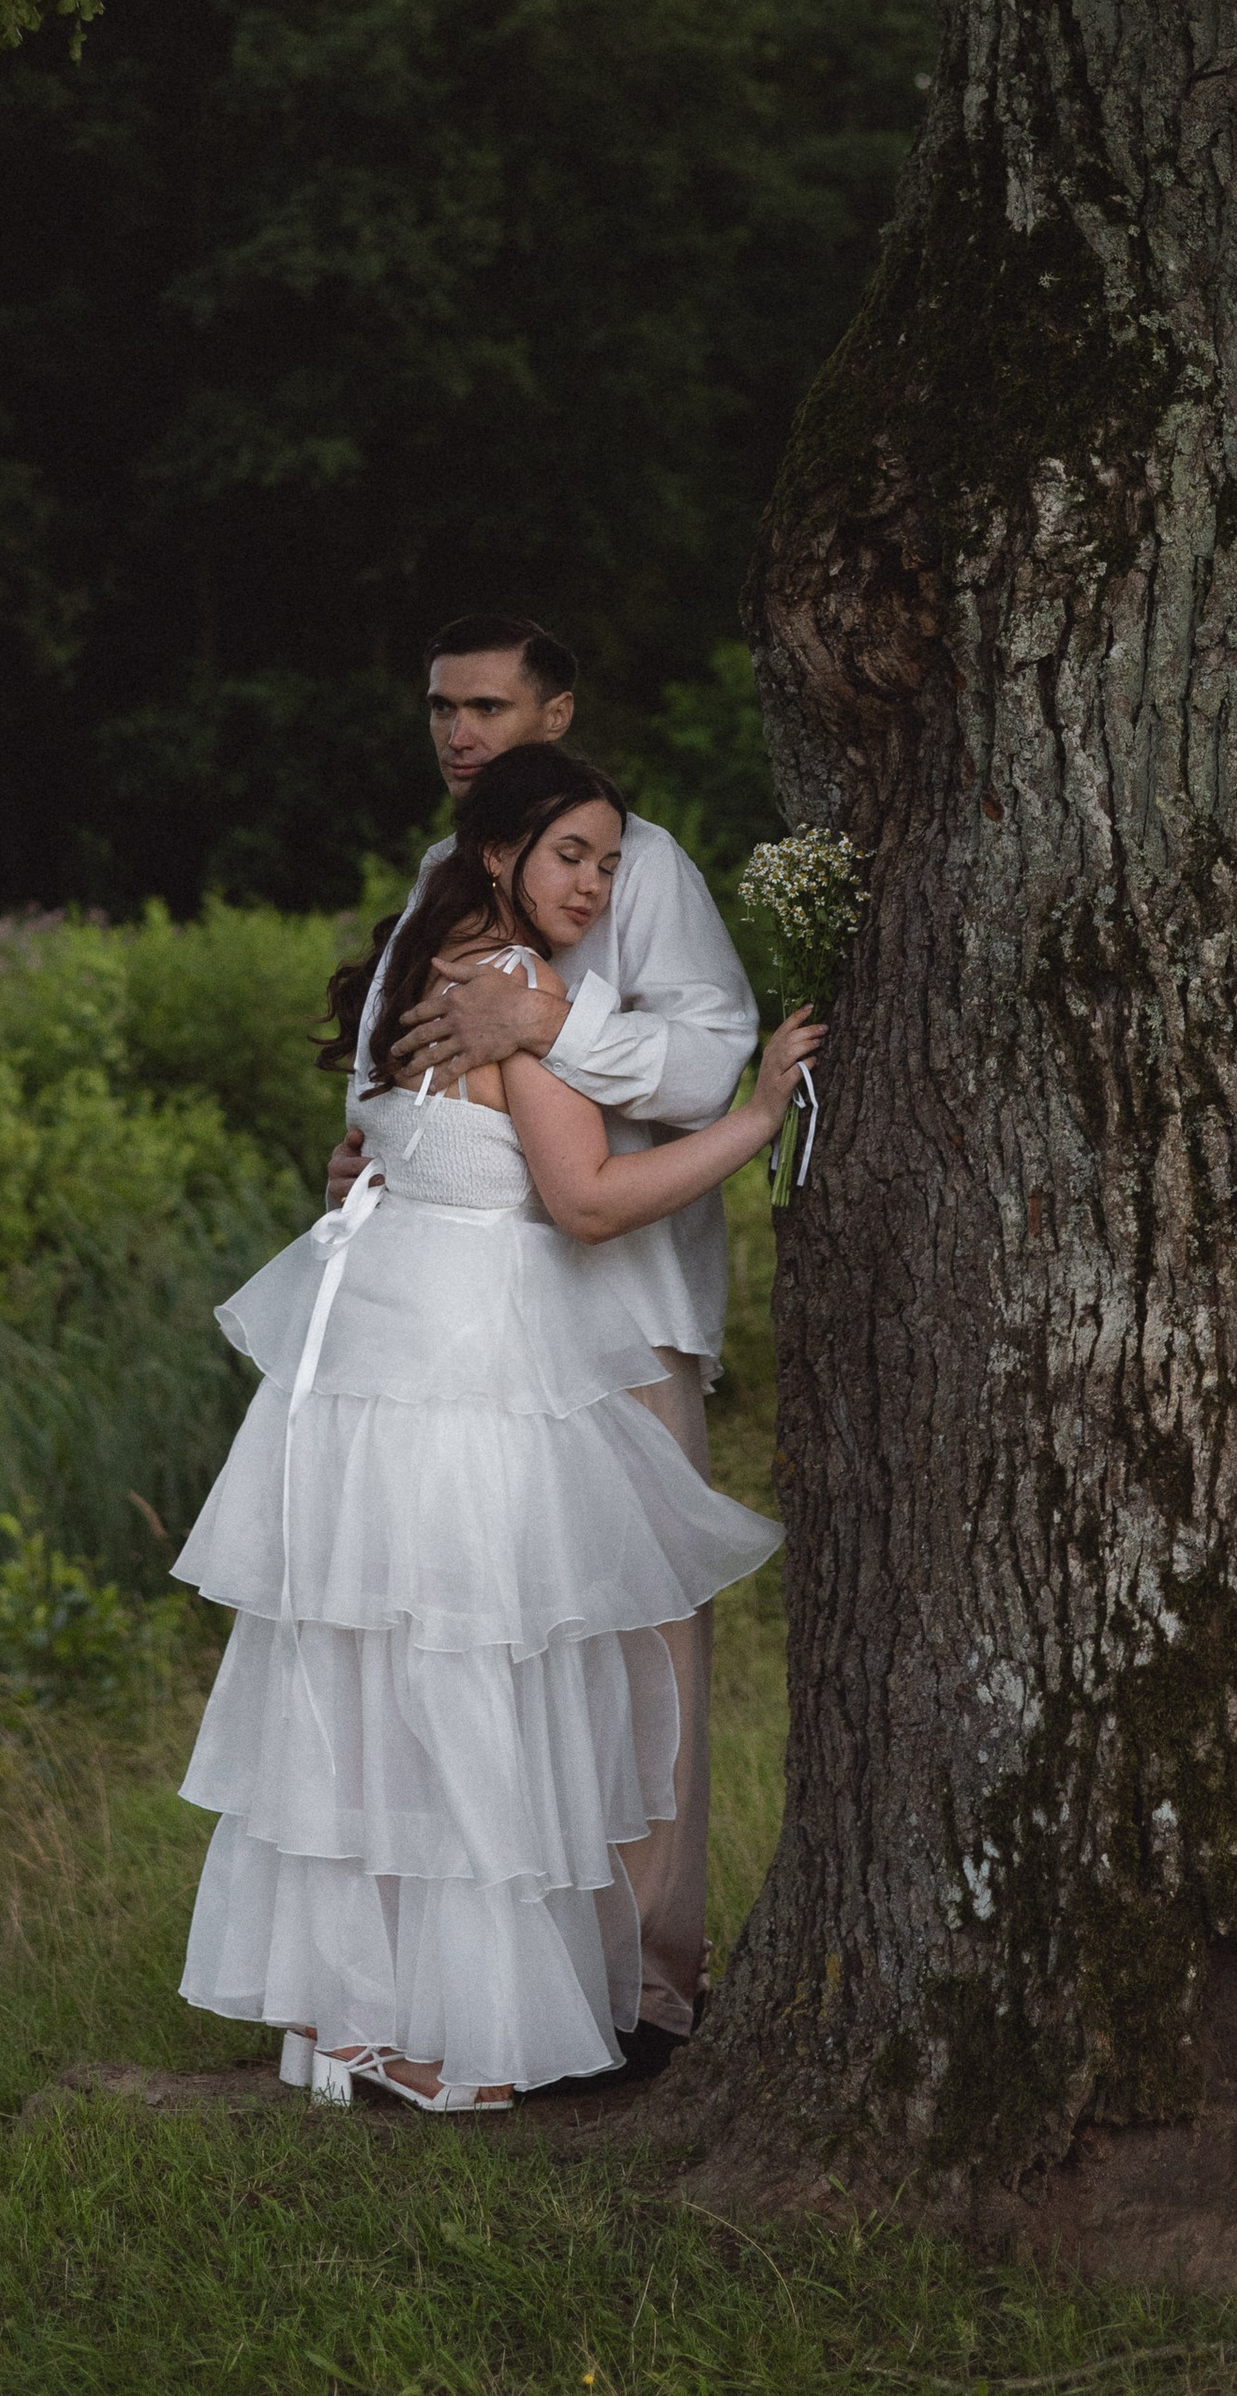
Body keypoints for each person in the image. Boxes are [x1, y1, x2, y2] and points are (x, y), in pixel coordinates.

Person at [172, 743, 822, 2113]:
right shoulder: (513, 984)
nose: (595, 881)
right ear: (497, 859)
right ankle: (411, 2028)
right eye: (569, 855)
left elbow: (386, 1132)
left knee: (381, 1679)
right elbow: (586, 1201)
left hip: (383, 1359)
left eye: (606, 857)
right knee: (464, 1675)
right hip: (463, 1371)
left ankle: (355, 2015)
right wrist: (762, 1112)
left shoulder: (434, 964)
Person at [325, 612, 759, 2066]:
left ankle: (649, 1986)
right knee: (488, 1648)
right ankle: (512, 1974)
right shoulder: (433, 889)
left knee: (642, 1654)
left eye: (491, 706)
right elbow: (408, 1054)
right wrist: (368, 1151)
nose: (461, 734)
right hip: (463, 1336)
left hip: (619, 1313)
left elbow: (708, 1059)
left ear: (558, 709)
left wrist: (549, 1030)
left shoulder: (639, 869)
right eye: (442, 709)